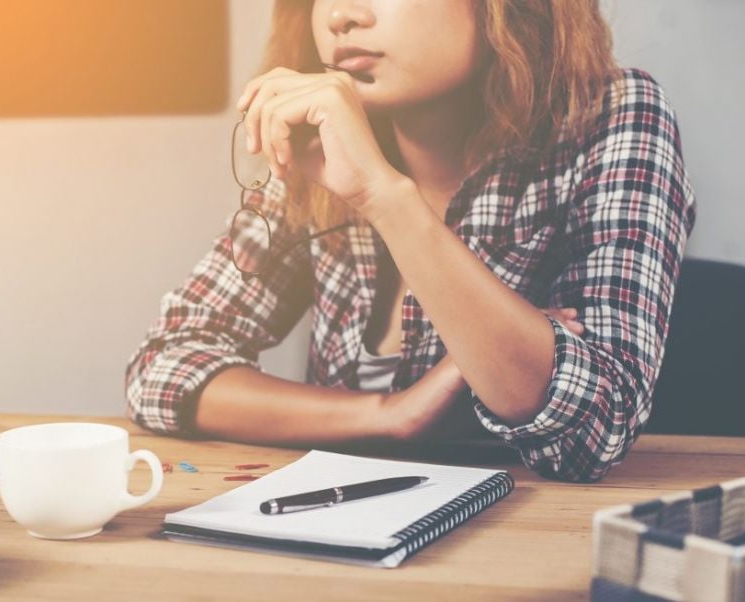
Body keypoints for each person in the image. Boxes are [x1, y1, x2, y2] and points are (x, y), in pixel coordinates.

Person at [125, 0, 696, 482]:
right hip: (339, 536)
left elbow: (592, 432)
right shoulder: (319, 144)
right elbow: (163, 366)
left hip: (525, 543)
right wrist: (387, 413)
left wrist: (385, 197)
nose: (342, 16)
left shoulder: (614, 115)